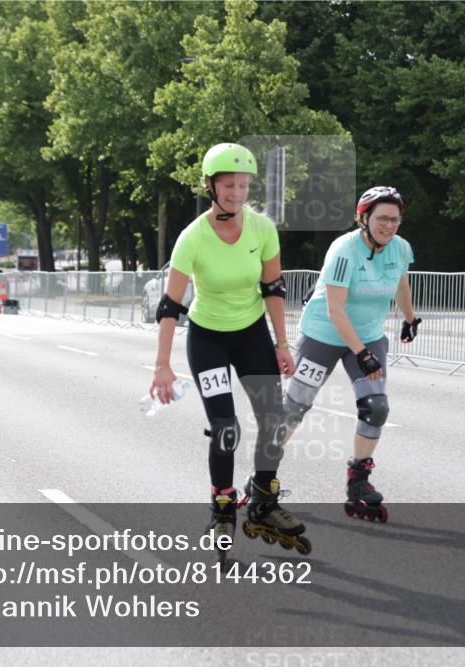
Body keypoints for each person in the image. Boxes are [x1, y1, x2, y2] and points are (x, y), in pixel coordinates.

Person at [148, 143, 309, 561]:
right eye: (229, 184)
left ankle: (263, 502)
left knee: (275, 420)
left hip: (252, 333)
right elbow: (170, 307)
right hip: (208, 339)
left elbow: (273, 289)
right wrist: (162, 366)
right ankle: (222, 504)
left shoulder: (262, 229)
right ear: (211, 186)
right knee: (226, 427)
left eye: (244, 184)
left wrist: (282, 343)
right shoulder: (193, 237)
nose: (237, 192)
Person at [273, 186, 421, 523]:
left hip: (368, 334)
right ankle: (263, 479)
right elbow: (336, 311)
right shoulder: (344, 250)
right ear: (363, 218)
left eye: (395, 220)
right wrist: (362, 354)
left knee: (376, 407)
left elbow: (400, 283)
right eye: (382, 218)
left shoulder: (400, 248)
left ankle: (359, 480)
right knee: (294, 408)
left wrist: (411, 318)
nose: (389, 226)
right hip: (324, 333)